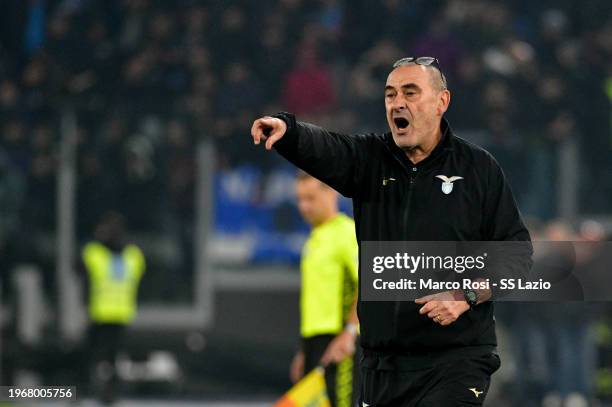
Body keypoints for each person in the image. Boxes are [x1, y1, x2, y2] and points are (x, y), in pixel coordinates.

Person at [252, 56, 532, 406]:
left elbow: (518, 255)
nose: (398, 103)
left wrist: (465, 296)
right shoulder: (370, 159)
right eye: (390, 95)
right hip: (382, 367)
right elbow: (328, 148)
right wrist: (289, 132)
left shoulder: (478, 169)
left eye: (410, 92)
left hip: (455, 361)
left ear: (441, 102)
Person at [290, 170, 359, 407]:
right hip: (314, 342)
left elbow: (370, 282)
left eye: (310, 198)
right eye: (300, 199)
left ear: (331, 192)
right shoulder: (314, 238)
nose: (303, 206)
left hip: (337, 342)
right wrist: (304, 351)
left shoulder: (347, 233)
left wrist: (350, 332)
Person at [80, 211, 145, 404]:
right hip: (121, 313)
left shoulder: (95, 253)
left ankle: (91, 392)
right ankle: (108, 393)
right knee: (111, 357)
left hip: (102, 313)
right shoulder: (133, 256)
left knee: (97, 355)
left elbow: (80, 269)